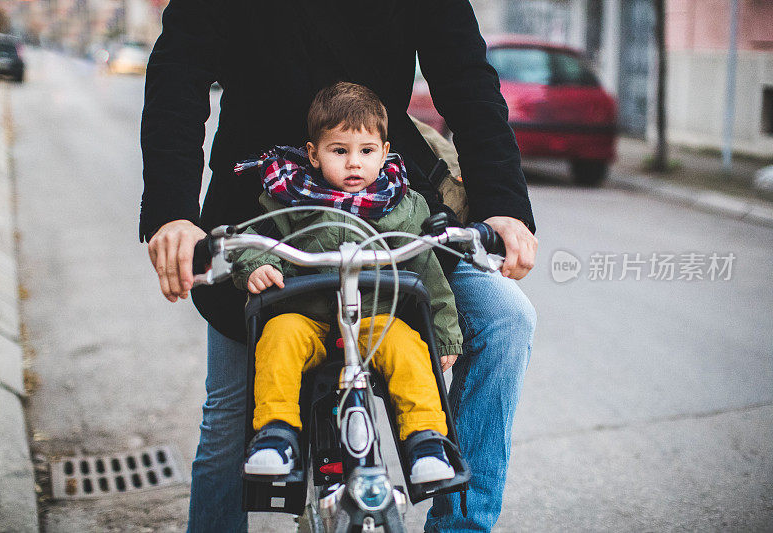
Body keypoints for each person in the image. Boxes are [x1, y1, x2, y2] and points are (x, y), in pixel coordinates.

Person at [141, 1, 537, 530]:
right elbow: (178, 72)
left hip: (388, 210)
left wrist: (504, 205)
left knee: (506, 318)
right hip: (262, 213)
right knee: (231, 433)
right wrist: (173, 213)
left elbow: (466, 78)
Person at [235, 82, 461, 485]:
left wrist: (445, 333)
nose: (354, 163)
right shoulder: (289, 199)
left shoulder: (403, 206)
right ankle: (276, 434)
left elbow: (429, 271)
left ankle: (426, 440)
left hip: (375, 317)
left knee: (410, 348)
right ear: (313, 154)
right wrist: (256, 265)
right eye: (339, 151)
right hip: (311, 317)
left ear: (385, 152)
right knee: (277, 336)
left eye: (366, 151)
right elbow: (255, 238)